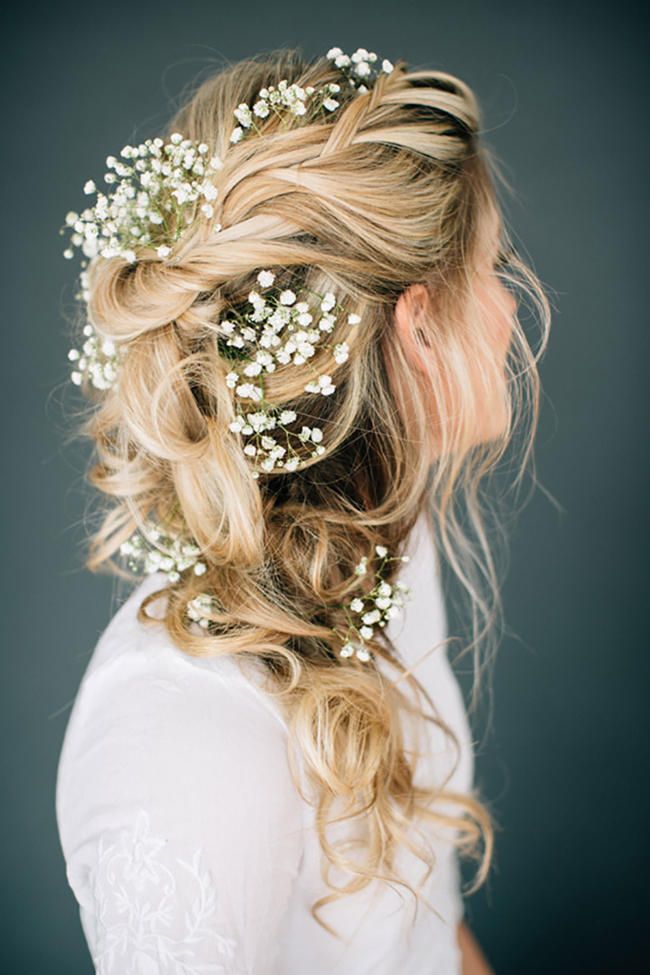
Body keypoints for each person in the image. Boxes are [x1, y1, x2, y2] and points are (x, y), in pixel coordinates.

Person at [55, 45, 550, 974]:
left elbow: (425, 926)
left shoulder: (382, 544)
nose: (511, 309)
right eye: (495, 265)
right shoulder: (184, 736)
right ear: (418, 332)